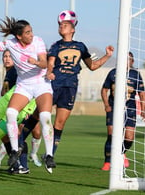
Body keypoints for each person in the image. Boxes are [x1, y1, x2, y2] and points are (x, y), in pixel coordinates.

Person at [0, 16, 55, 173]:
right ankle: (14, 151)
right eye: (27, 32)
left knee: (44, 116)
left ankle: (48, 155)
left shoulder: (38, 41)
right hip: (24, 85)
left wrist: (36, 62)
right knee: (10, 112)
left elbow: (44, 62)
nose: (31, 34)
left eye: (31, 31)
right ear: (19, 36)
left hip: (41, 83)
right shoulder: (10, 44)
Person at [47, 10, 114, 156]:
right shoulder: (55, 46)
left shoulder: (80, 46)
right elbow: (50, 63)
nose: (61, 27)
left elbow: (92, 66)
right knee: (36, 117)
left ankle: (50, 155)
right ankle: (20, 148)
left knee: (60, 123)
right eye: (60, 25)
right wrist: (49, 72)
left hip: (70, 87)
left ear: (73, 29)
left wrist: (107, 56)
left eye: (65, 25)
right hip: (53, 85)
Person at [100, 51, 145, 171]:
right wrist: (106, 105)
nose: (125, 62)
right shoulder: (113, 73)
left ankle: (121, 153)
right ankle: (107, 162)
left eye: (128, 59)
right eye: (123, 59)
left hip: (129, 108)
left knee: (129, 138)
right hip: (113, 107)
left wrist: (143, 110)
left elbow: (142, 93)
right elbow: (104, 90)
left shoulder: (136, 75)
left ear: (132, 61)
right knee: (112, 135)